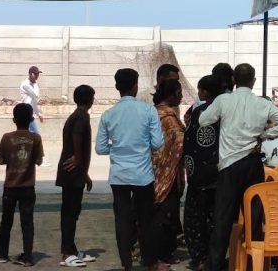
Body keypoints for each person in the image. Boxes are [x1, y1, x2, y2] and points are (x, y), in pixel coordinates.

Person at [199, 63, 278, 271]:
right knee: (254, 218)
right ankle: (253, 264)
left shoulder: (223, 100)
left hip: (229, 165)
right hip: (253, 163)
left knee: (222, 219)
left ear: (234, 80)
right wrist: (264, 135)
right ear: (253, 81)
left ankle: (214, 265)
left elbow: (203, 120)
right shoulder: (262, 103)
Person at [96, 68, 165, 271]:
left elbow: (100, 148)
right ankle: (150, 262)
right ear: (135, 86)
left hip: (119, 176)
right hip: (143, 175)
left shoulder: (108, 115)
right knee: (146, 220)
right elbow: (157, 143)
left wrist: (117, 147)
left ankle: (127, 264)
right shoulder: (148, 111)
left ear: (117, 87)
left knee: (122, 221)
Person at [183, 75, 224, 271]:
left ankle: (200, 257)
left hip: (199, 176)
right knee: (216, 218)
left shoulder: (199, 112)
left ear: (205, 92)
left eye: (199, 90)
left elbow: (189, 142)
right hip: (221, 174)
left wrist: (189, 170)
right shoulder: (227, 111)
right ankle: (215, 258)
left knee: (196, 218)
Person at [0, 103, 44, 267]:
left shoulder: (6, 138)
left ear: (14, 120)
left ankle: (2, 254)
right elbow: (39, 161)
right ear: (31, 119)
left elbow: (1, 160)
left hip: (10, 186)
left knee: (6, 221)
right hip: (28, 187)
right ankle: (28, 256)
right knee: (27, 222)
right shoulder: (36, 138)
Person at [56, 85, 96, 268]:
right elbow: (77, 135)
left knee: (72, 211)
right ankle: (67, 253)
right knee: (70, 212)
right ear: (88, 99)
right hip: (71, 172)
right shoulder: (81, 116)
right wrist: (79, 159)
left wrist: (85, 173)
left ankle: (71, 248)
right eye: (92, 97)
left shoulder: (77, 115)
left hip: (75, 172)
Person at [151, 79, 186, 265]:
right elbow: (180, 144)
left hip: (152, 170)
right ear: (170, 95)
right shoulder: (170, 119)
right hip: (168, 173)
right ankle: (164, 253)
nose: (181, 97)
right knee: (167, 215)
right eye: (179, 93)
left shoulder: (152, 113)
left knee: (157, 213)